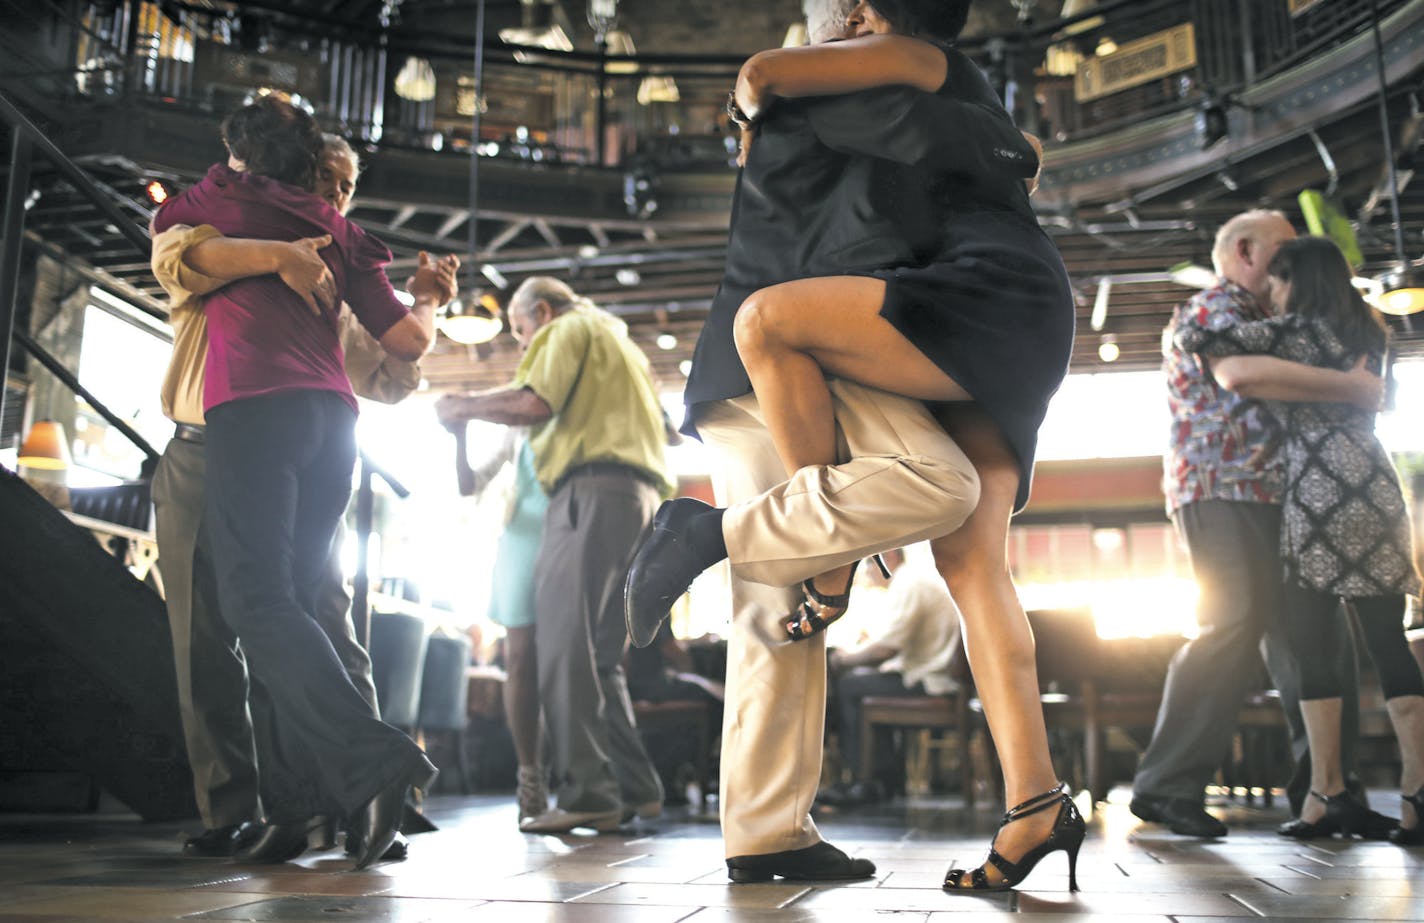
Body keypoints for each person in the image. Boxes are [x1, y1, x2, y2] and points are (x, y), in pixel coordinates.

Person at [626, 0, 1082, 892]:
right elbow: (990, 170)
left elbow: (763, 78)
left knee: (825, 567)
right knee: (970, 566)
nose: (817, 33)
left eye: (822, 16)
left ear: (864, 15)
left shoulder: (892, 78)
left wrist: (756, 111)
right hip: (965, 319)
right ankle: (1033, 801)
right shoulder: (927, 109)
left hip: (923, 315)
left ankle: (715, 546)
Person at [152, 96, 444, 869]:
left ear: (239, 156)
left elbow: (166, 234)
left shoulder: (220, 200)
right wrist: (430, 299)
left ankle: (376, 765)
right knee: (287, 613)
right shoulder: (337, 233)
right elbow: (409, 341)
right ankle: (294, 806)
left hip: (253, 415)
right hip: (324, 426)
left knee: (259, 606)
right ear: (316, 171)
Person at [1130, 210, 1387, 840]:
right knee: (1235, 619)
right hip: (1221, 486)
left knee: (1320, 636)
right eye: (1285, 252)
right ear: (1245, 251)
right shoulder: (1216, 306)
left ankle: (1328, 790)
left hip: (1288, 493)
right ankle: (1166, 786)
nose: (1295, 264)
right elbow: (1237, 374)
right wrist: (1352, 387)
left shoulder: (1276, 317)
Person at [1174, 235, 1424, 845]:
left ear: (1296, 281)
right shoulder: (1370, 335)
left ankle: (1325, 794)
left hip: (1315, 493)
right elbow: (1373, 395)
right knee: (1390, 642)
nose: (1272, 295)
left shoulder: (1290, 333)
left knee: (1311, 645)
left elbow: (1200, 341)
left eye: (1279, 283)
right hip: (1375, 488)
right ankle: (1418, 792)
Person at [435, 276, 672, 834]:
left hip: (588, 491)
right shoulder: (622, 344)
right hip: (638, 497)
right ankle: (639, 787)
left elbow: (534, 401)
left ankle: (590, 794)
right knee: (602, 658)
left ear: (540, 312)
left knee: (562, 648)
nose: (523, 348)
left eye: (521, 333)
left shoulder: (565, 329)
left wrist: (463, 405)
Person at [449, 422, 550, 825]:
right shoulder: (518, 427)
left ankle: (577, 776)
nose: (528, 353)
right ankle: (530, 777)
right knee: (521, 659)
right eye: (523, 350)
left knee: (566, 658)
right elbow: (468, 483)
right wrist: (459, 434)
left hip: (572, 528)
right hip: (521, 537)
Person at [820, 545, 962, 806]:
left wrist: (843, 660)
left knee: (850, 686)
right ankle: (884, 778)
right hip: (926, 674)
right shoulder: (913, 580)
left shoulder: (910, 583)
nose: (866, 573)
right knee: (859, 682)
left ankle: (867, 781)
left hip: (930, 681)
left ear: (889, 556)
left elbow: (885, 649)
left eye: (869, 565)